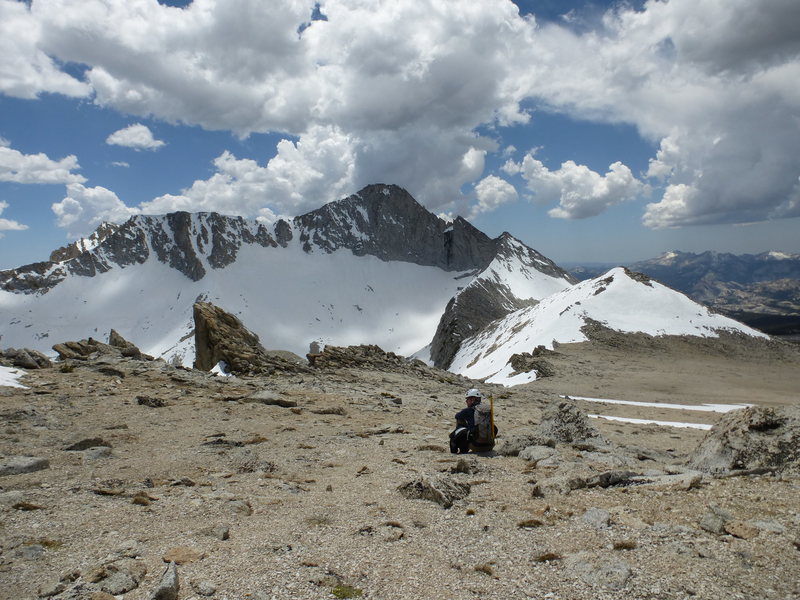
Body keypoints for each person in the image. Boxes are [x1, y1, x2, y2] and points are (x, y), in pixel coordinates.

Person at [449, 388, 496, 454]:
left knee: (460, 428)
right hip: (490, 445)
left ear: (472, 400)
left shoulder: (467, 411)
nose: (466, 401)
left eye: (467, 399)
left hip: (476, 445)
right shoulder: (487, 410)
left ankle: (458, 451)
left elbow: (457, 416)